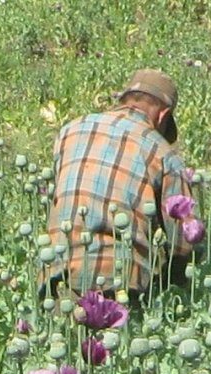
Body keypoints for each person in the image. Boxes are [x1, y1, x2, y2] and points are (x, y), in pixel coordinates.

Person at [42, 68, 198, 304]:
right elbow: (183, 243)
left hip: (54, 273)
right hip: (118, 286)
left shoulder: (70, 131)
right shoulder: (164, 155)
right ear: (163, 116)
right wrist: (174, 288)